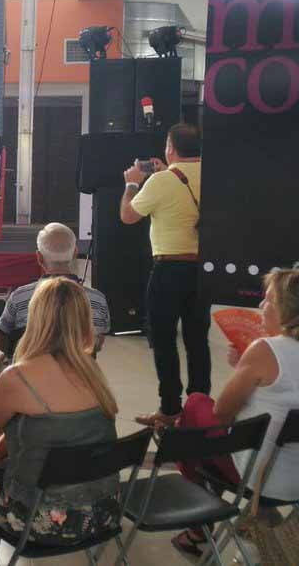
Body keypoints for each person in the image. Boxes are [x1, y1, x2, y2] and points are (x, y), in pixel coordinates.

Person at [169, 267, 299, 558]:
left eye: (268, 300)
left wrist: (246, 367)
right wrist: (244, 367)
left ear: (288, 309)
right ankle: (226, 523)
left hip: (261, 477)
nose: (260, 307)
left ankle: (198, 528)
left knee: (195, 406)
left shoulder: (266, 350)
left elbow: (221, 416)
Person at [0, 278, 119, 556]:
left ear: (36, 318)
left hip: (37, 520)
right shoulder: (93, 373)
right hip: (101, 513)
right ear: (84, 320)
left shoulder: (17, 376)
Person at [120, 122, 207, 427]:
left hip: (169, 269)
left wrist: (132, 183)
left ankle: (170, 408)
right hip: (203, 271)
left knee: (164, 340)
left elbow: (129, 216)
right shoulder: (214, 174)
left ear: (170, 147)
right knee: (198, 340)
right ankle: (201, 406)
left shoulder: (160, 182)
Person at [0, 222, 110, 397]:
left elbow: (2, 340)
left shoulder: (19, 296)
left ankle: (0, 419)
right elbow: (95, 344)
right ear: (75, 253)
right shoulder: (97, 299)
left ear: (39, 257)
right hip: (79, 378)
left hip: (29, 379)